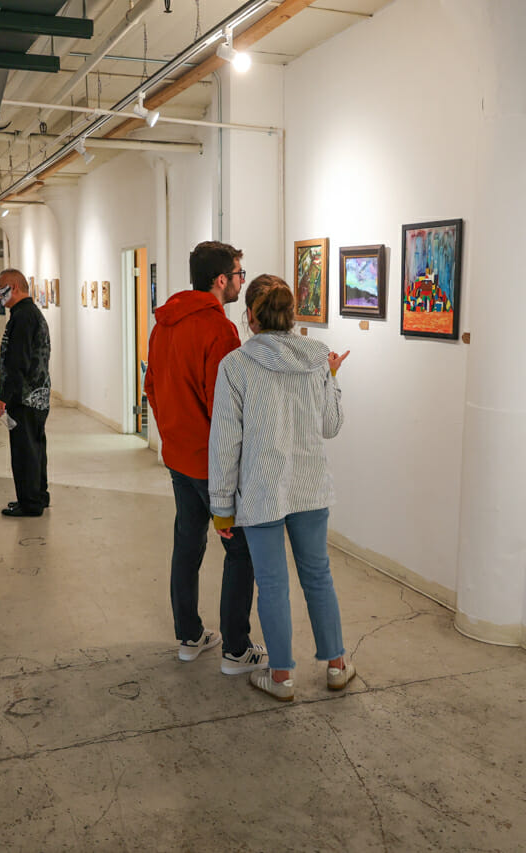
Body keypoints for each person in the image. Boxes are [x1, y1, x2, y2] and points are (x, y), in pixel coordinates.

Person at [208, 276, 353, 701]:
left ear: (250, 315)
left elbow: (224, 443)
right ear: (292, 316)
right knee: (318, 577)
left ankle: (281, 676)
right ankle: (337, 666)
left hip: (261, 492)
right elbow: (331, 426)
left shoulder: (236, 365)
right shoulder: (316, 360)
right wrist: (331, 378)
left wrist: (220, 506)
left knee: (272, 585)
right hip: (310, 490)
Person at [142, 241, 265, 676]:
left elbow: (151, 387)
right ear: (220, 281)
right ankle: (236, 648)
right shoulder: (219, 330)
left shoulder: (163, 325)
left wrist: (173, 432)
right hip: (214, 467)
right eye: (238, 273)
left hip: (178, 458)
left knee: (187, 544)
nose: (241, 281)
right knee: (240, 551)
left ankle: (189, 636)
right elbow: (225, 409)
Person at [0, 270, 51, 517]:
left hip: (25, 398)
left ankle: (30, 503)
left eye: (1, 287)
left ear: (14, 287)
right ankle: (38, 496)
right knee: (35, 448)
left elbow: (18, 362)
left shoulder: (23, 317)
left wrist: (4, 397)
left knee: (25, 451)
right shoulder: (29, 313)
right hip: (37, 396)